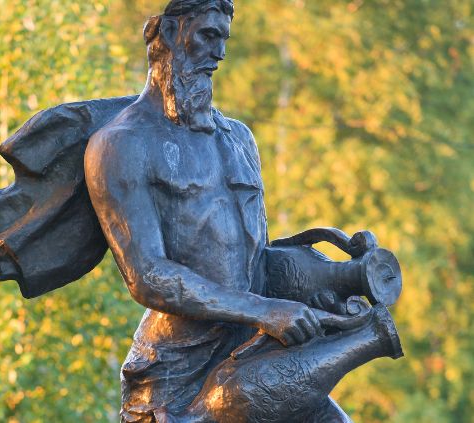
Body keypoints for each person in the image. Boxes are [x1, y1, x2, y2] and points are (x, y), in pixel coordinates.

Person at [84, 1, 336, 421]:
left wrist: (336, 277)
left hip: (256, 354)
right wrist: (263, 310)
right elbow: (148, 276)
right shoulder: (121, 144)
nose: (219, 53)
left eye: (224, 39)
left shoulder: (238, 138)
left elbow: (258, 260)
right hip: (175, 378)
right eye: (207, 35)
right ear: (169, 33)